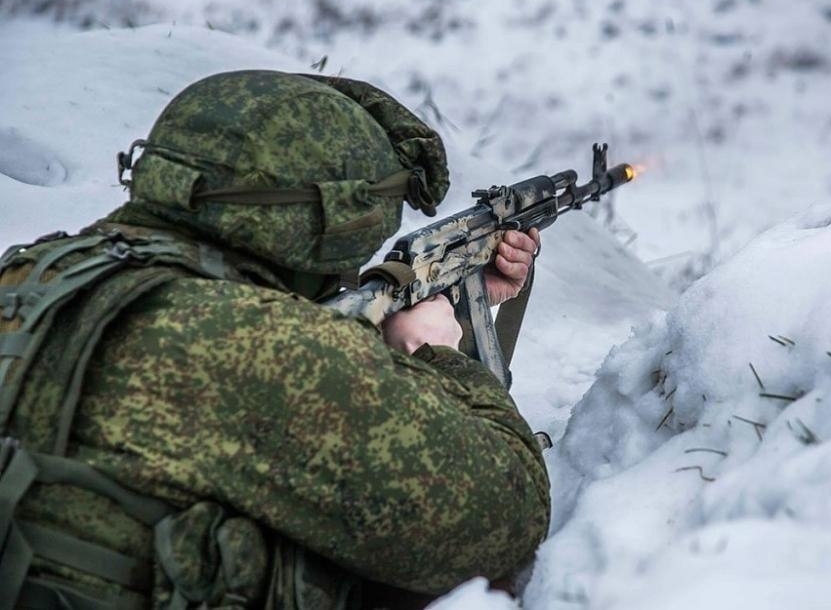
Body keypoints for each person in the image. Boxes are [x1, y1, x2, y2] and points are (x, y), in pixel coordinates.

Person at [0, 71, 550, 609]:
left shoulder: (30, 276)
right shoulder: (264, 346)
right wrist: (436, 352)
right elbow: (507, 516)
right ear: (326, 216)